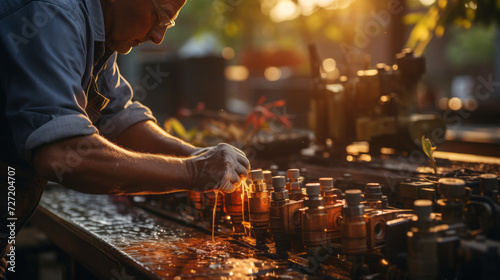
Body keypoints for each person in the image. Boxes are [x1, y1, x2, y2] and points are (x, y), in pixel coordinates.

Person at [0, 0, 250, 277]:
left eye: (167, 24)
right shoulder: (56, 12)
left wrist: (195, 156)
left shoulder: (101, 30)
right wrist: (191, 172)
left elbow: (117, 118)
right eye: (159, 17)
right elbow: (60, 153)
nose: (158, 37)